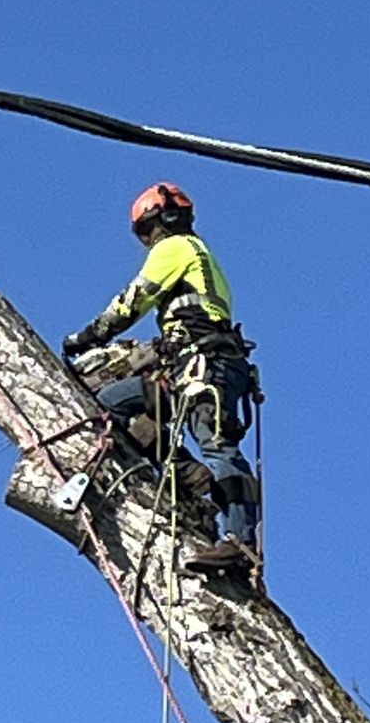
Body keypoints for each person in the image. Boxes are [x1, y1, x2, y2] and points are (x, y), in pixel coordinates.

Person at [63, 183, 260, 572]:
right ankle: (188, 474)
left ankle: (240, 542)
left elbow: (133, 301)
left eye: (147, 232)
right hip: (197, 366)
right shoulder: (200, 257)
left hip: (208, 366)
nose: (148, 241)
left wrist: (84, 337)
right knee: (115, 401)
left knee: (217, 443)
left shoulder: (175, 249)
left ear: (155, 224)